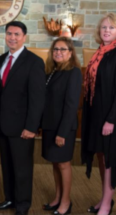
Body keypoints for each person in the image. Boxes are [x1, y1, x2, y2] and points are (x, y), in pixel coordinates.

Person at [81, 12, 116, 215]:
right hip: (97, 113)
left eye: (111, 27)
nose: (107, 31)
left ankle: (105, 205)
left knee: (109, 159)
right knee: (102, 157)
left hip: (112, 117)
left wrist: (110, 120)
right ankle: (105, 200)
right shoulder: (99, 52)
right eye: (104, 27)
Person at [0, 21, 45, 215]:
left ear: (24, 36)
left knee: (22, 169)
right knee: (7, 166)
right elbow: (0, 94)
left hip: (23, 126)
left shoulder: (34, 62)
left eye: (16, 34)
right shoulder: (0, 59)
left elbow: (37, 98)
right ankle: (10, 199)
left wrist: (32, 126)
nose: (12, 37)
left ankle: (22, 205)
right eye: (9, 34)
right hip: (4, 125)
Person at [41, 37, 82, 215]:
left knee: (64, 164)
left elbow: (71, 105)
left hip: (63, 128)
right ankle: (57, 198)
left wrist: (62, 133)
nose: (58, 52)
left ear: (70, 53)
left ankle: (66, 202)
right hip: (50, 125)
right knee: (55, 163)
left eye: (63, 49)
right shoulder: (51, 71)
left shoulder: (73, 72)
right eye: (55, 49)